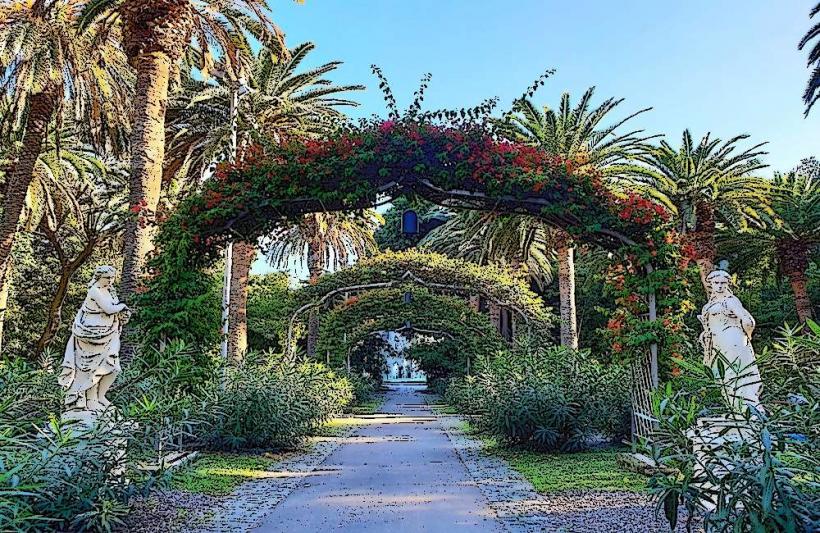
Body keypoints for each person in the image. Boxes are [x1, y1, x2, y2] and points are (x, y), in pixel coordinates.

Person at [59, 266, 130, 412]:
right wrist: (123, 306)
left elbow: (113, 310)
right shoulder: (94, 290)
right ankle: (90, 401)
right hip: (91, 335)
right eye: (107, 278)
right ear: (99, 277)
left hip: (109, 332)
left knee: (113, 366)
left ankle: (100, 396)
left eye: (112, 277)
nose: (110, 280)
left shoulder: (110, 290)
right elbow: (109, 309)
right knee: (91, 368)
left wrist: (123, 315)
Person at [698, 270, 763, 413]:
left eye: (722, 283)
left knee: (735, 373)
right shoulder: (710, 304)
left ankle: (748, 409)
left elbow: (747, 321)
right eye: (716, 283)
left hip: (731, 340)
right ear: (711, 284)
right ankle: (737, 410)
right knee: (725, 376)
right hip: (717, 343)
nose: (719, 286)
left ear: (727, 284)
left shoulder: (731, 301)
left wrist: (747, 337)